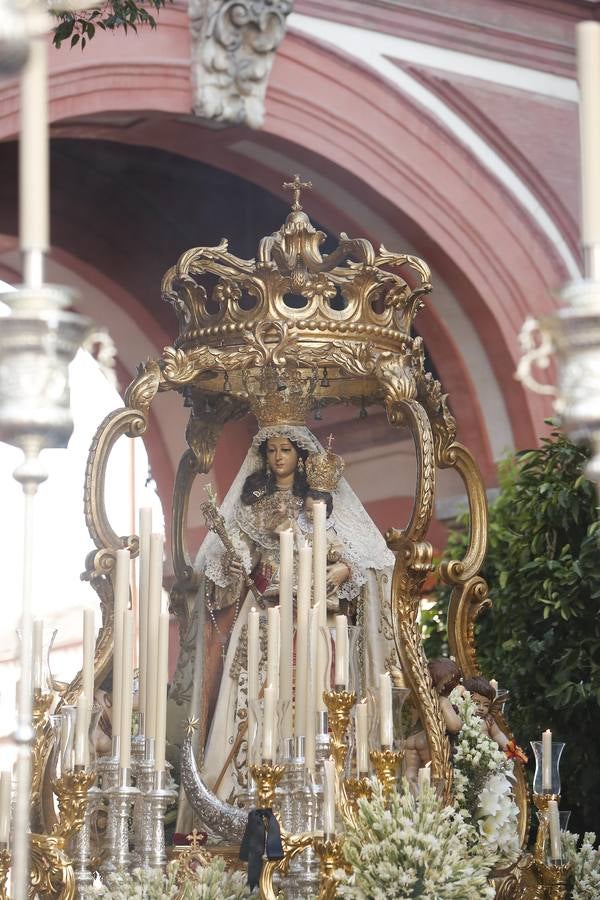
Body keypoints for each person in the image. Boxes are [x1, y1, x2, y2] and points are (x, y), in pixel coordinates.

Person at [167, 422, 396, 816]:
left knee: (313, 697)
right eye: (271, 450)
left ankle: (321, 799)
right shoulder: (252, 505)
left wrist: (340, 570)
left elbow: (354, 559)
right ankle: (239, 798)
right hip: (262, 617)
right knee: (250, 695)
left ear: (299, 456)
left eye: (285, 450)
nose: (277, 458)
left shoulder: (321, 508)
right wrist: (236, 569)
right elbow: (231, 565)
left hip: (310, 619)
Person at [404, 658, 463, 793]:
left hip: (413, 737)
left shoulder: (421, 699)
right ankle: (428, 802)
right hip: (428, 740)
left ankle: (414, 797)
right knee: (432, 774)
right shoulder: (442, 700)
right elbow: (454, 726)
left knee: (411, 773)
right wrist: (460, 721)